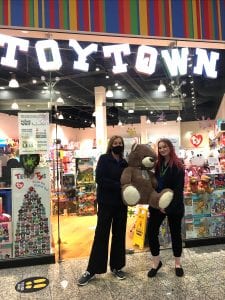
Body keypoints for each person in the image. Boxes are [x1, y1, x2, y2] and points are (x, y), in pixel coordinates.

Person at [78, 135, 128, 286]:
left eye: (120, 143)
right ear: (111, 145)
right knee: (101, 235)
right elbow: (99, 178)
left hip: (121, 204)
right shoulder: (104, 159)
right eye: (115, 143)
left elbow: (129, 181)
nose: (118, 145)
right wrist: (118, 185)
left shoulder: (125, 163)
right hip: (106, 203)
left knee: (119, 235)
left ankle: (117, 266)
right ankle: (92, 270)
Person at [147, 138, 185, 278]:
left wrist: (168, 208)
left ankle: (177, 263)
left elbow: (178, 189)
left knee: (175, 233)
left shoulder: (178, 166)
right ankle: (156, 262)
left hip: (174, 206)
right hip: (157, 205)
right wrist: (157, 203)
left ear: (170, 147)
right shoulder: (158, 165)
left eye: (165, 147)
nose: (162, 149)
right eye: (160, 147)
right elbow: (154, 184)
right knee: (151, 232)